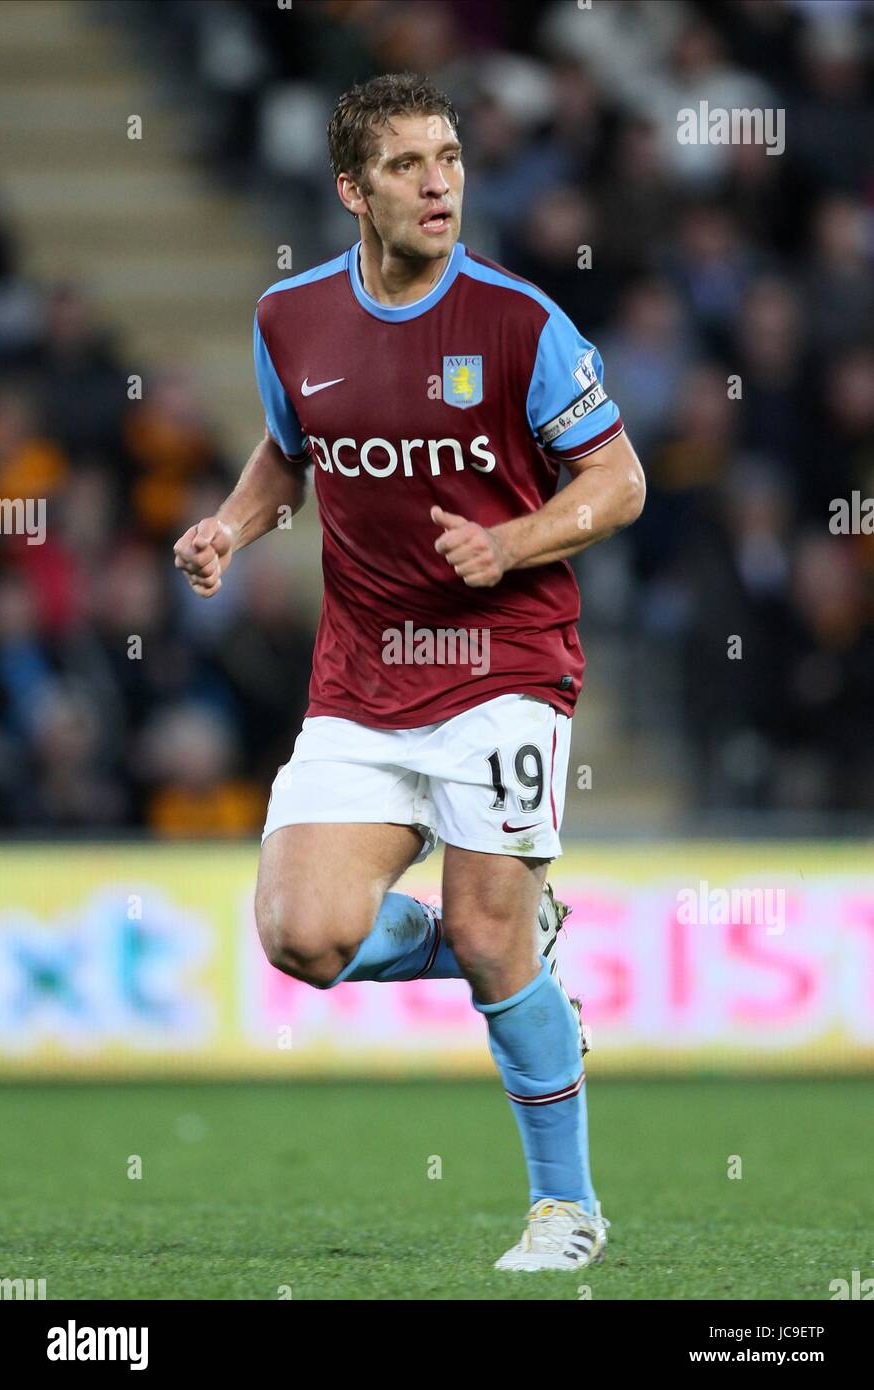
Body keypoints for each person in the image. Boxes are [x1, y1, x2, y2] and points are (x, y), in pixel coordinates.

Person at [174, 73, 645, 1272]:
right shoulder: (291, 319)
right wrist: (232, 526)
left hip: (504, 662)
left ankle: (566, 1210)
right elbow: (291, 456)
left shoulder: (520, 323)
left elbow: (619, 481)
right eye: (406, 165)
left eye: (449, 157)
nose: (440, 182)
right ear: (351, 189)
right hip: (361, 674)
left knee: (487, 941)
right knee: (300, 934)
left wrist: (515, 541)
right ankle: (512, 940)